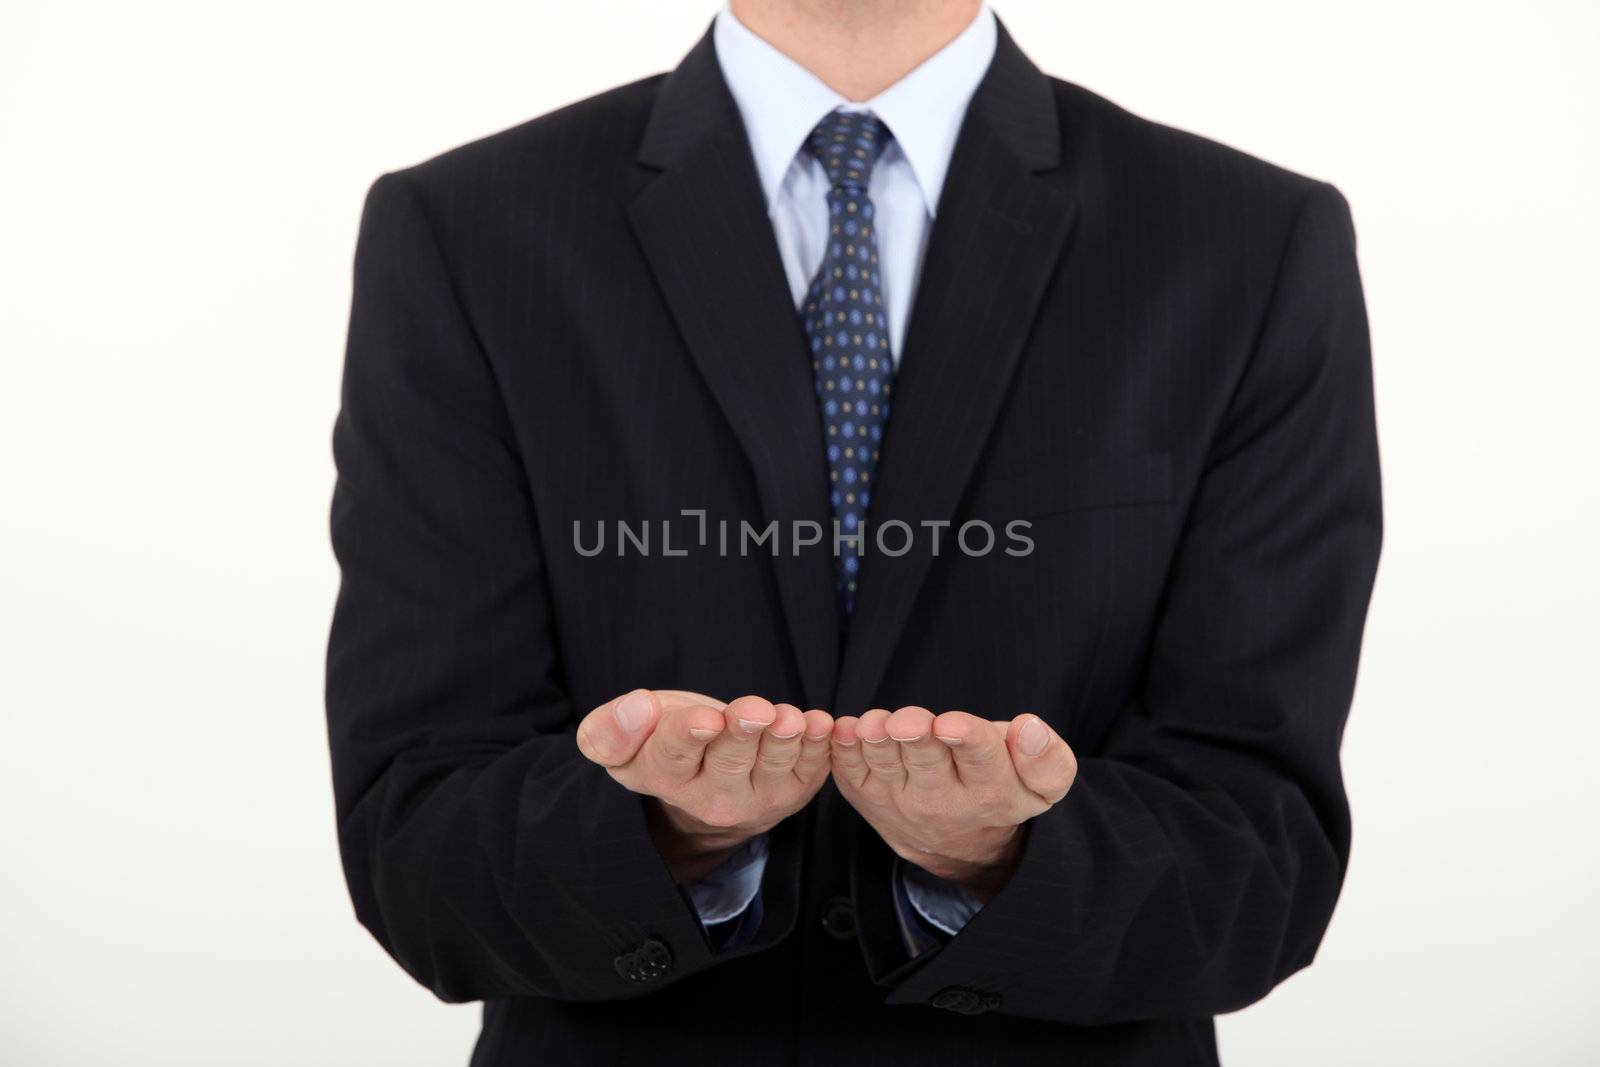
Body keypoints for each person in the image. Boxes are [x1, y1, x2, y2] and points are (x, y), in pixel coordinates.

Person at [325, 2, 1382, 1063]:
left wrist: (997, 856)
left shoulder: (1245, 245)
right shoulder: (468, 232)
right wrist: (665, 834)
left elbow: (1262, 852)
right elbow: (412, 837)